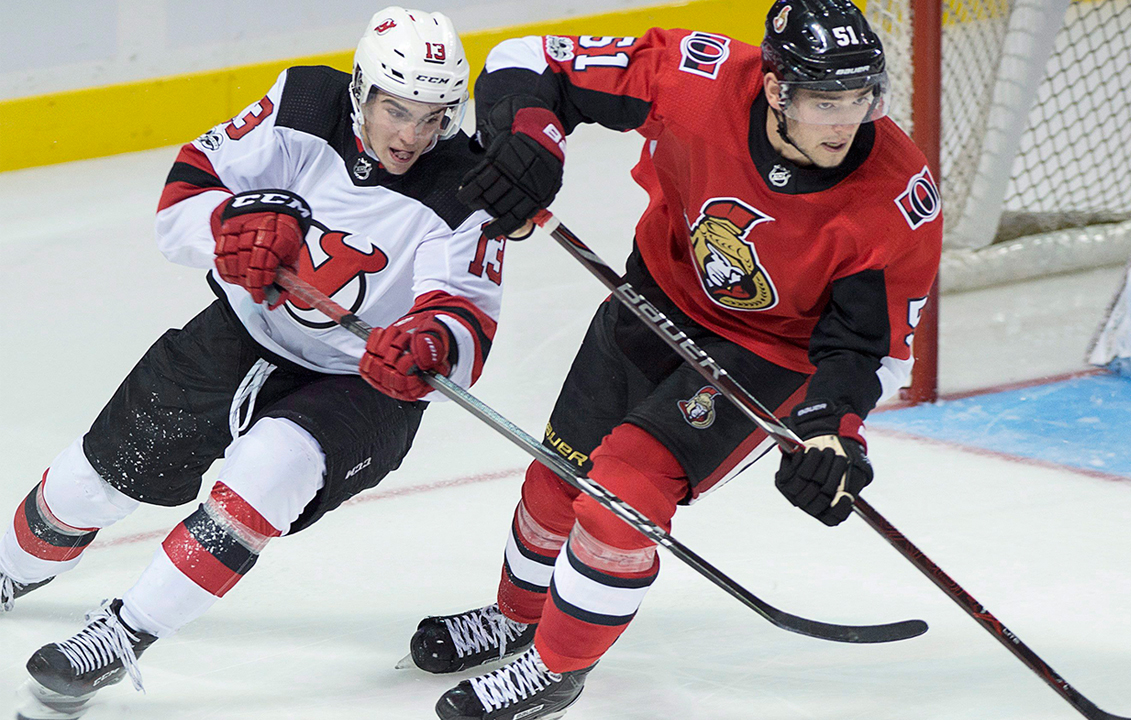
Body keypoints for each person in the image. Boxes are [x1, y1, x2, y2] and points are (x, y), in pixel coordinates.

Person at [401, 1, 944, 718]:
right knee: (556, 479)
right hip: (657, 295)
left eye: (860, 99)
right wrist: (528, 141)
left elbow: (865, 347)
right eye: (824, 102)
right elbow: (530, 60)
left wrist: (832, 430)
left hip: (769, 355)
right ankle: (516, 617)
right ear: (778, 89)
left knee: (622, 493)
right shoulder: (702, 78)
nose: (846, 123)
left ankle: (557, 668)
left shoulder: (897, 199)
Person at [0, 6, 504, 718]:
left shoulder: (467, 185)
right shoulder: (302, 101)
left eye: (433, 116)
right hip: (241, 331)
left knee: (267, 470)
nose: (413, 135)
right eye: (398, 110)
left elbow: (468, 319)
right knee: (92, 485)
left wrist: (429, 343)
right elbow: (182, 198)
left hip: (360, 383)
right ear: (361, 90)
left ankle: (121, 635)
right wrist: (229, 226)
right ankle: (8, 571)